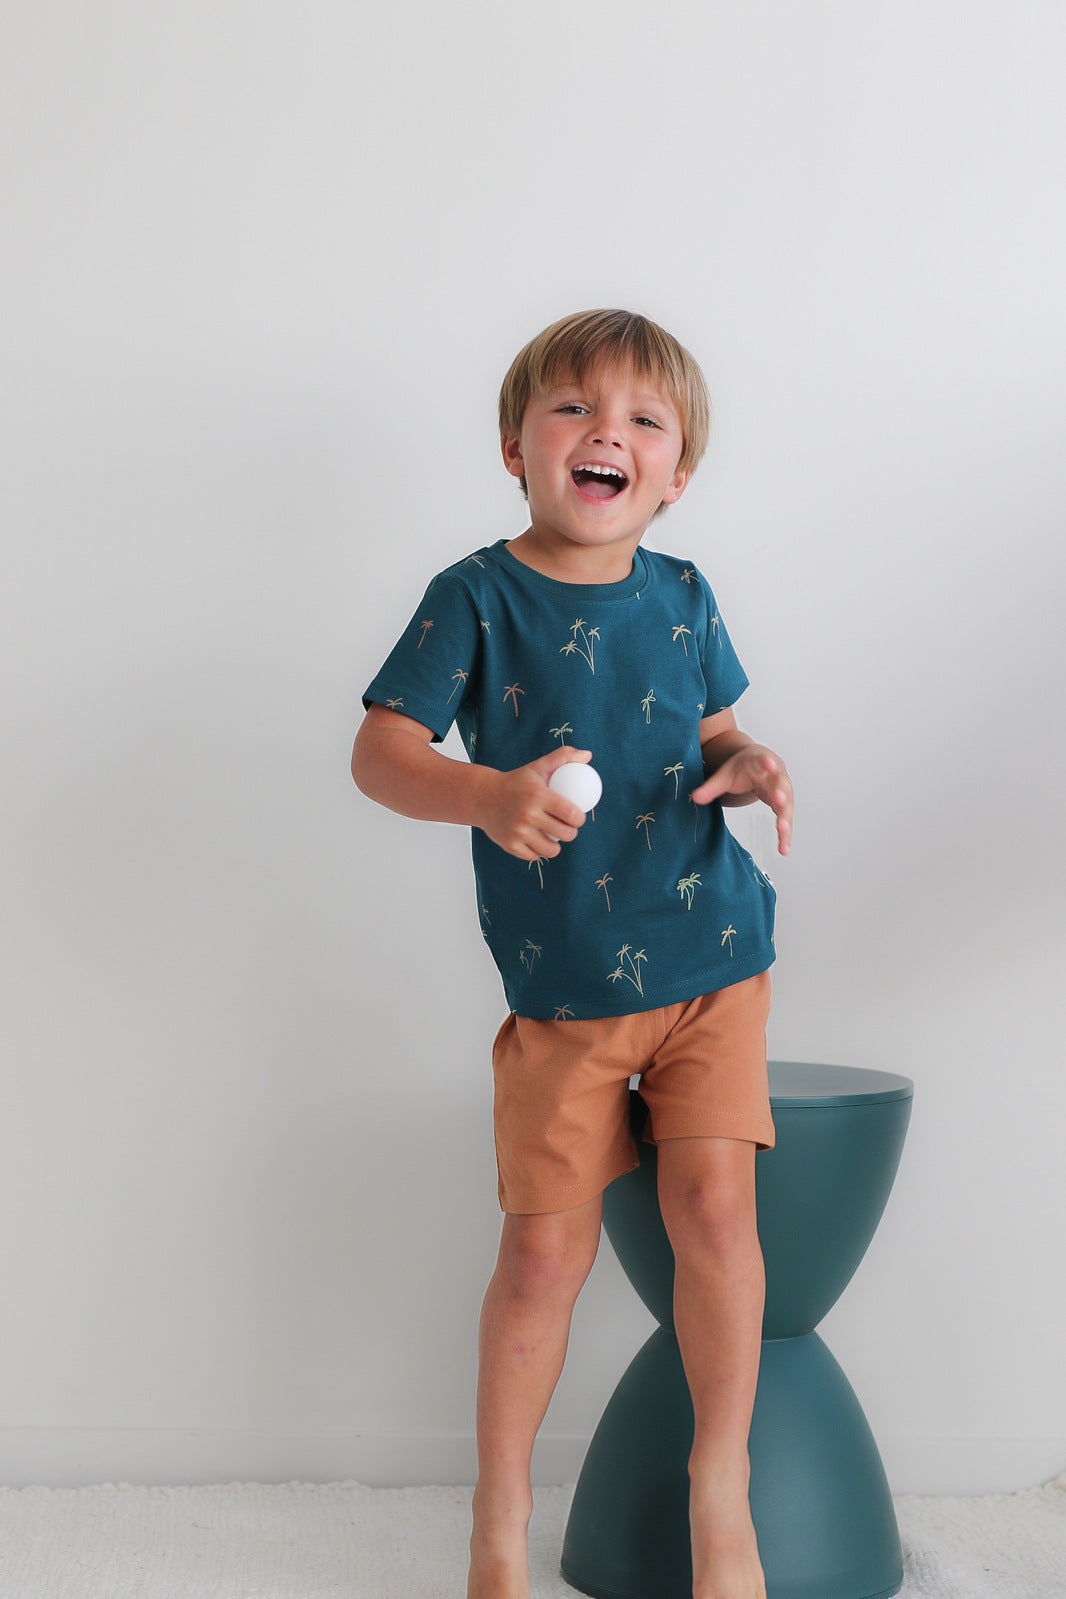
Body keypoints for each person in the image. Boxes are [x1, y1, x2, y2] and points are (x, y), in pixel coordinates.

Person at [351, 308, 794, 1599]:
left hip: (712, 964)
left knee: (715, 1209)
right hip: (566, 995)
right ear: (515, 447)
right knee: (544, 1254)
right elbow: (381, 754)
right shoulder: (476, 598)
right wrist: (489, 794)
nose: (606, 431)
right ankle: (497, 1518)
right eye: (572, 410)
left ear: (674, 472)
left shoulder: (686, 594)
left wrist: (747, 762)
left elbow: (715, 733)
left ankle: (723, 1489)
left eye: (641, 421)